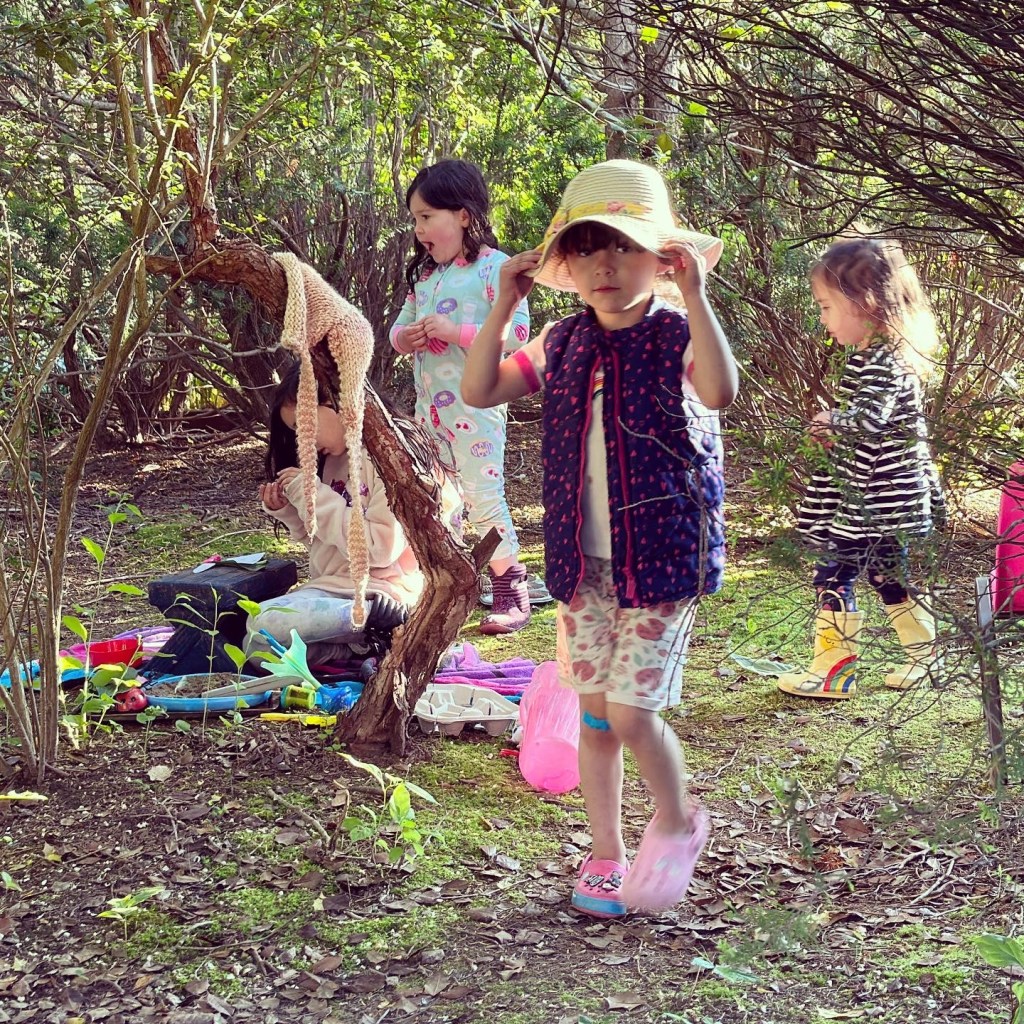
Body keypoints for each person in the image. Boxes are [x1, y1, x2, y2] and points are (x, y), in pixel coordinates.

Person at [461, 159, 738, 917]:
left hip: (663, 558)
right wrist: (502, 303)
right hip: (582, 564)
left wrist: (697, 297)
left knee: (630, 713)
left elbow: (720, 391)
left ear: (662, 258)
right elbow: (480, 389)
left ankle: (677, 822)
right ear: (567, 265)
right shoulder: (562, 341)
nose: (605, 264)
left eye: (624, 245)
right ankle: (606, 853)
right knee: (594, 715)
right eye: (586, 249)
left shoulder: (676, 334)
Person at [777, 235, 945, 700]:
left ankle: (835, 672)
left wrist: (832, 420)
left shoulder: (880, 362)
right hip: (887, 500)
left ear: (865, 303)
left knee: (834, 573)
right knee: (888, 574)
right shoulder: (886, 357)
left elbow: (869, 420)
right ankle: (926, 657)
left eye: (826, 306)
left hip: (874, 500)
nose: (822, 318)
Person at [390, 158, 551, 635]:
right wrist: (408, 338)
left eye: (426, 216)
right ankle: (452, 587)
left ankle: (511, 588)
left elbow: (517, 334)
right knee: (438, 498)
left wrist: (455, 331)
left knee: (482, 496)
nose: (419, 229)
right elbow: (397, 332)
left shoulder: (495, 268)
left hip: (477, 411)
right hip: (428, 414)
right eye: (414, 220)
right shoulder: (424, 276)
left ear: (463, 215)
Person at [246, 362, 461, 666]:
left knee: (263, 623)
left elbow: (381, 549)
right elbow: (331, 545)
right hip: (334, 594)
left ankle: (390, 619)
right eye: (295, 432)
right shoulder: (335, 457)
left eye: (304, 425)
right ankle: (368, 647)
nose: (301, 440)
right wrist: (291, 511)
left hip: (385, 593)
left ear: (332, 399)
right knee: (257, 647)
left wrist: (313, 494)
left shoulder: (390, 455)